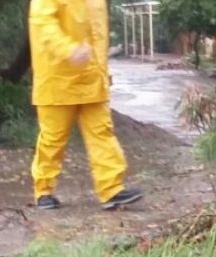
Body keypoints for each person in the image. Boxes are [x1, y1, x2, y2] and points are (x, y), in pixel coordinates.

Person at [29, 0, 143, 210]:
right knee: (52, 139)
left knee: (102, 132)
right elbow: (42, 23)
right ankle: (43, 190)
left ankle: (111, 189)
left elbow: (97, 35)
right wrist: (68, 50)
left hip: (92, 80)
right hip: (58, 79)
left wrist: (102, 71)